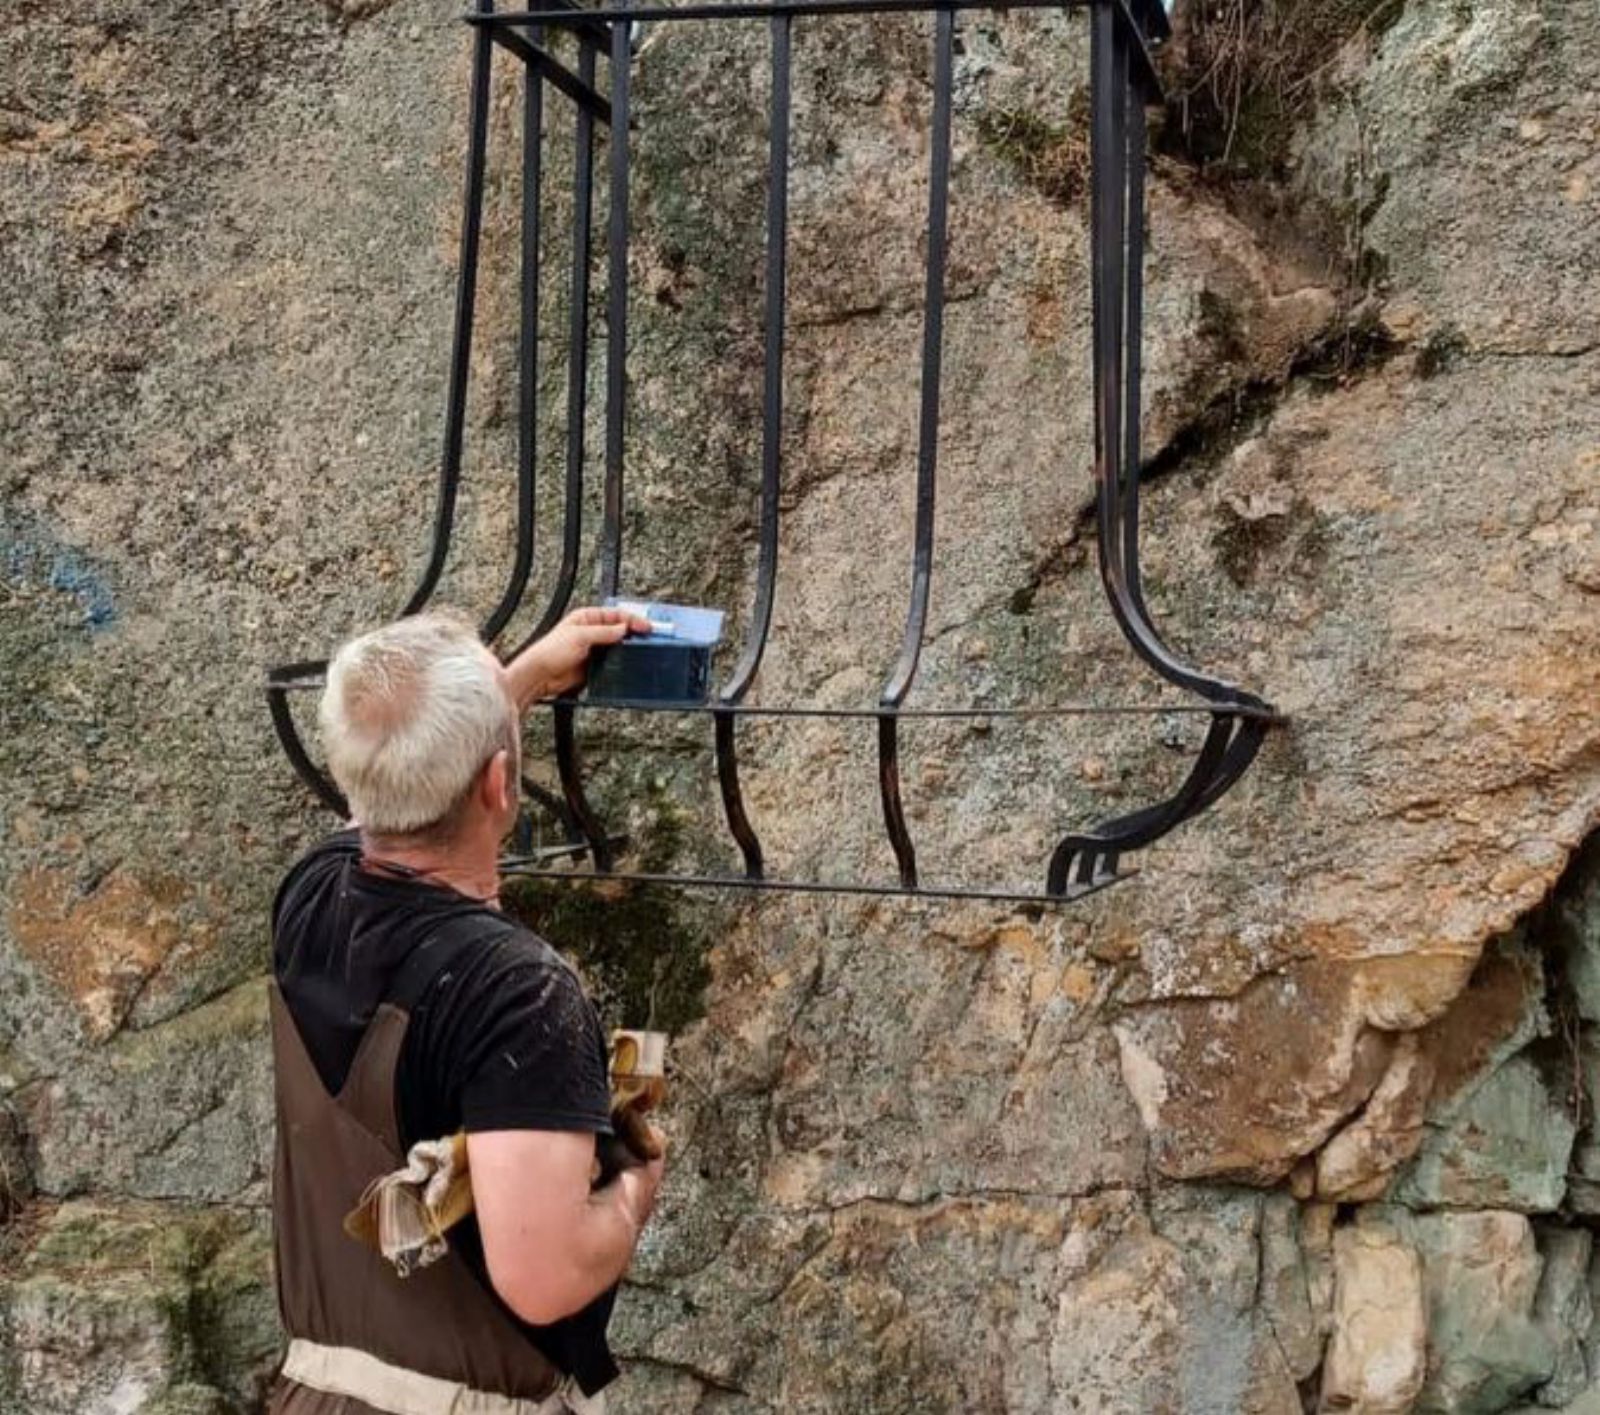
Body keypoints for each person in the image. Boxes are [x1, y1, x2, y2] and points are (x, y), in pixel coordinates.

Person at [266, 606, 663, 1415]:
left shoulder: (309, 895)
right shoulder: (519, 994)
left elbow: (396, 790)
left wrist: (521, 684)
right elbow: (544, 1277)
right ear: (497, 782)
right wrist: (636, 1187)